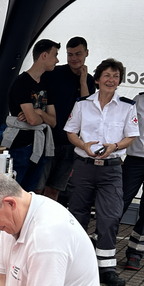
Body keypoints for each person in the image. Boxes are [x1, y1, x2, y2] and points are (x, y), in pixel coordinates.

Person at [64, 58, 139, 286]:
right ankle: (73, 267)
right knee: (77, 216)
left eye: (115, 76)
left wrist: (114, 147)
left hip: (111, 170)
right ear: (97, 79)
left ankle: (106, 269)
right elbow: (70, 132)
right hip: (84, 167)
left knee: (109, 218)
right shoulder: (82, 104)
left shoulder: (127, 106)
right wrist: (85, 145)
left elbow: (131, 136)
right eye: (107, 75)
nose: (111, 80)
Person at [37, 37, 95, 201]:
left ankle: (48, 224)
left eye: (78, 54)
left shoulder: (89, 80)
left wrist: (83, 81)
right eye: (70, 54)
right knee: (37, 187)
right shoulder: (53, 73)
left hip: (70, 143)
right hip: (48, 140)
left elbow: (87, 108)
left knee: (54, 189)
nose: (74, 58)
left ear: (86, 53)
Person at [2, 39, 58, 192]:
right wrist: (39, 116)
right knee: (12, 191)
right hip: (20, 145)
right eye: (55, 55)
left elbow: (53, 121)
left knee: (29, 193)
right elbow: (32, 120)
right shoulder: (22, 82)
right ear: (44, 55)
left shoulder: (46, 84)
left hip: (40, 146)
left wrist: (39, 112)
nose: (57, 60)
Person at [121, 92, 144, 271]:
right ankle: (101, 246)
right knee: (118, 203)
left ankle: (135, 253)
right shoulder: (139, 99)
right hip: (135, 160)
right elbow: (123, 127)